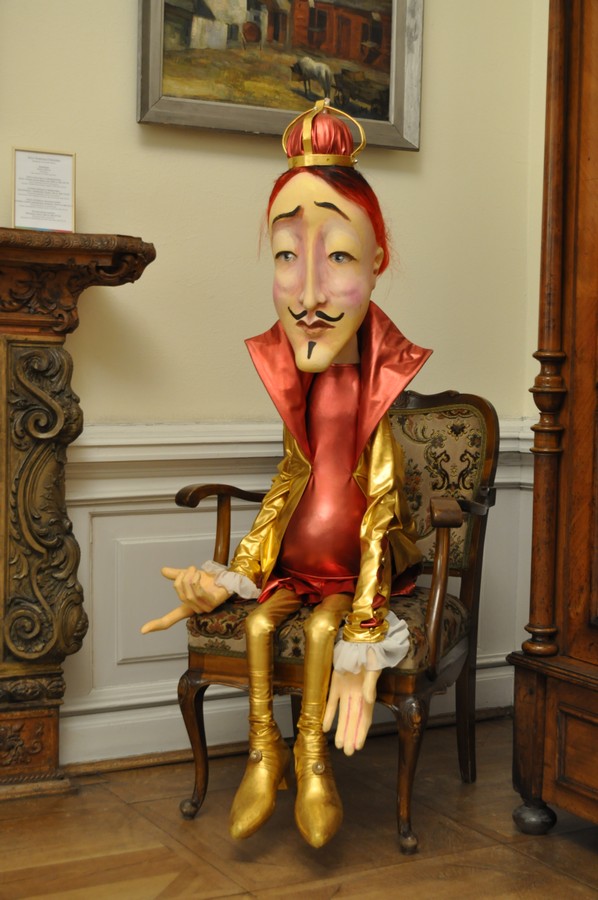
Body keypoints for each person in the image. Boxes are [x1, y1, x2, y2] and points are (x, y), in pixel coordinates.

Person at [142, 100, 431, 847]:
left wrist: (367, 628)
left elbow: (381, 509)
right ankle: (261, 756)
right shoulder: (295, 382)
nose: (305, 295)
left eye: (338, 257)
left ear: (377, 262)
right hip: (294, 566)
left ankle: (311, 762)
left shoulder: (378, 388)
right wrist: (237, 574)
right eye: (285, 256)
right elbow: (287, 483)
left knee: (327, 627)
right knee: (261, 622)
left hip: (350, 574)